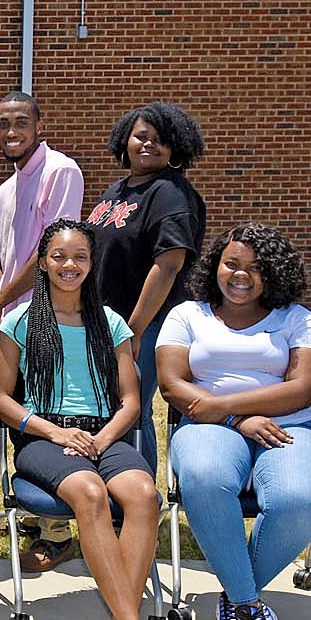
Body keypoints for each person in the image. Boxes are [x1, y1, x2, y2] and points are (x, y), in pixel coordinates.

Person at [0, 220, 174, 620]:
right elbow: (1, 400)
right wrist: (57, 433)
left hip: (105, 435)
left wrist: (101, 438)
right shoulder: (20, 321)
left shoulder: (110, 323)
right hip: (44, 439)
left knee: (144, 495)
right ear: (43, 262)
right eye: (58, 257)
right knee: (89, 493)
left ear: (92, 265)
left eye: (79, 258)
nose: (69, 266)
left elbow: (131, 400)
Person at [157, 222, 311, 620]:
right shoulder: (187, 315)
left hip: (289, 426)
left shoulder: (297, 319)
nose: (239, 275)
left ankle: (236, 597)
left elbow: (303, 389)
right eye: (231, 264)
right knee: (204, 477)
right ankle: (251, 607)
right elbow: (173, 386)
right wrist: (236, 417)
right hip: (209, 426)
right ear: (216, 264)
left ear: (274, 273)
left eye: (255, 268)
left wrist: (222, 403)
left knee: (300, 496)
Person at [0, 90, 83, 572]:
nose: (10, 131)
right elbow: (1, 256)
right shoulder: (4, 190)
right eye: (2, 123)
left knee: (48, 411)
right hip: (14, 324)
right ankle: (32, 509)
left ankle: (58, 531)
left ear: (39, 125)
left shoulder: (60, 171)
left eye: (20, 122)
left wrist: (2, 300)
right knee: (16, 411)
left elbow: (50, 252)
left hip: (51, 317)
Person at [87, 102, 207, 472]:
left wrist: (135, 329)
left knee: (131, 407)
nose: (148, 145)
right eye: (141, 136)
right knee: (112, 403)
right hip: (108, 320)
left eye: (160, 140)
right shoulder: (117, 190)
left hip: (150, 323)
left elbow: (168, 264)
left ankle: (138, 502)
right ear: (125, 139)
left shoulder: (169, 193)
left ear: (176, 148)